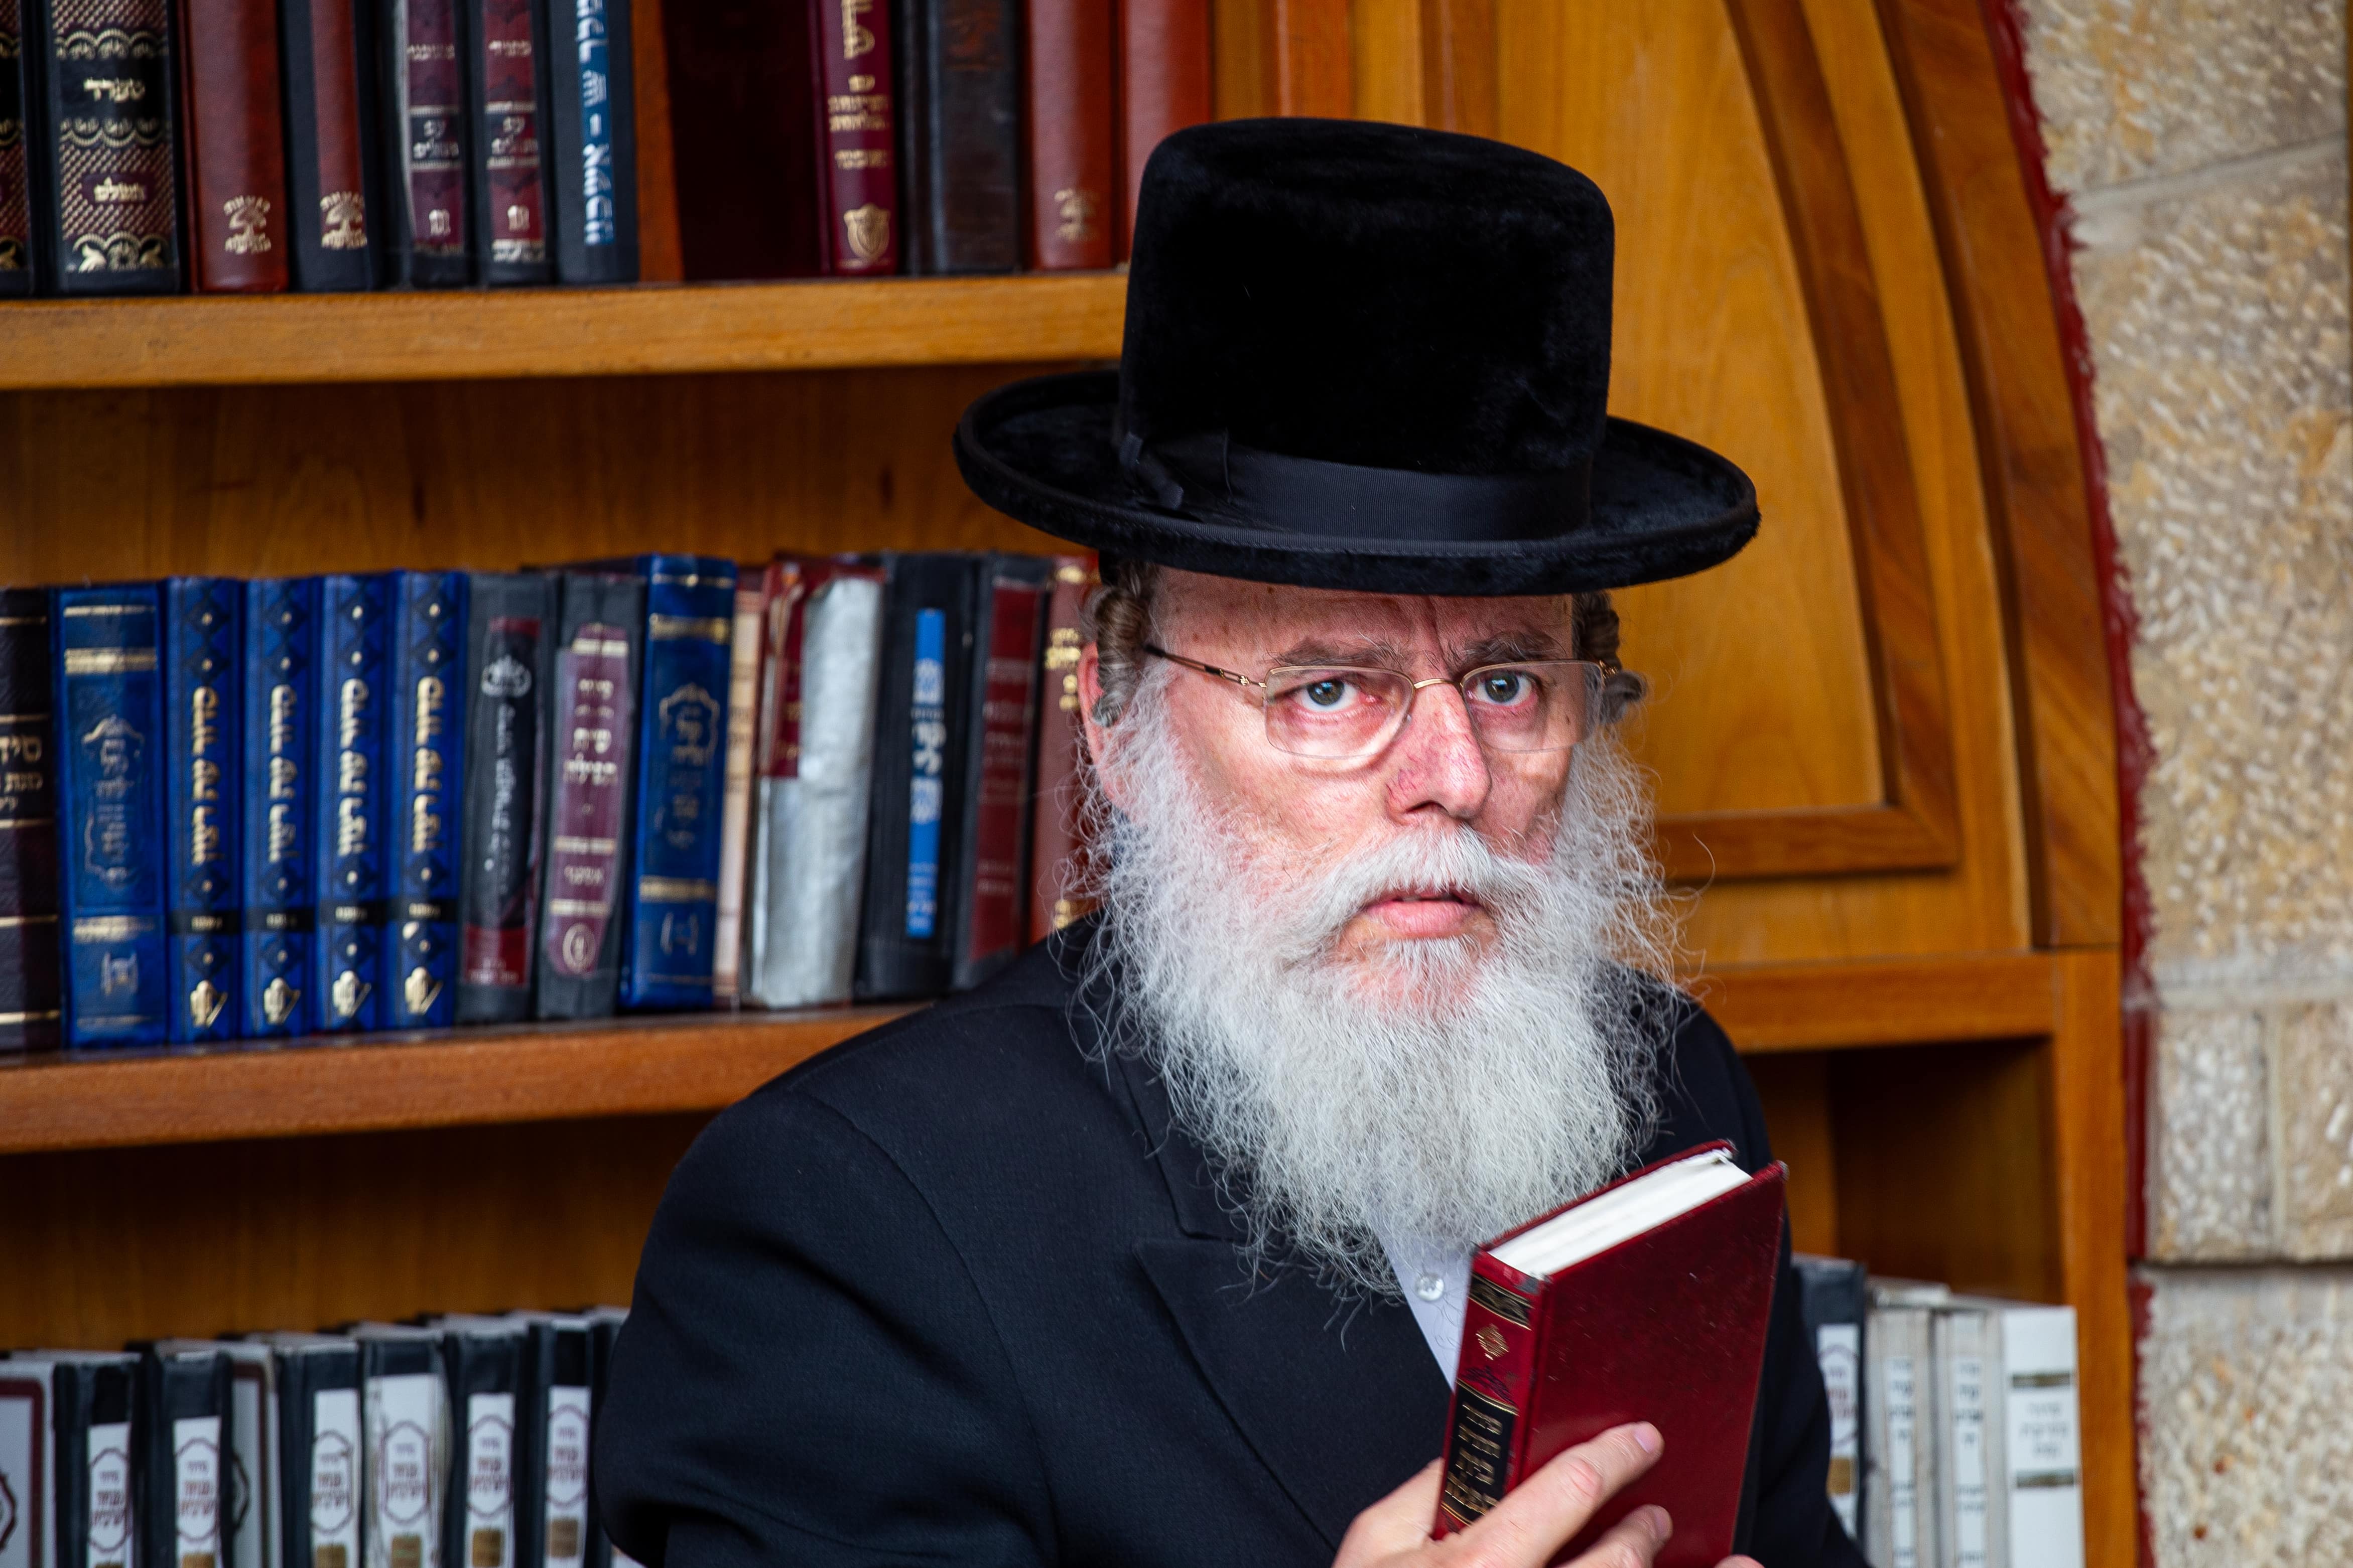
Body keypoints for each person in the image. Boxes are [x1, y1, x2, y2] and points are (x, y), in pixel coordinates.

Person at [597, 117, 1867, 1568]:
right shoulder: (849, 1223)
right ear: (1120, 721)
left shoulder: (1668, 1095)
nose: (1449, 778)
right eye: (1328, 689)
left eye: (1509, 680)